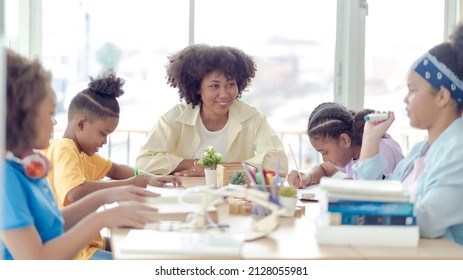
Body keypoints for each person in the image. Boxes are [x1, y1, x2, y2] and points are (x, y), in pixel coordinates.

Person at [1, 48, 159, 260]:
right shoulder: (6, 178)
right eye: (49, 113)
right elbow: (37, 261)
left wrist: (108, 195)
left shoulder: (25, 167)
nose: (55, 121)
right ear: (21, 115)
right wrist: (103, 218)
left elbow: (55, 222)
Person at [43, 69, 181, 259]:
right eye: (103, 133)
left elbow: (115, 169)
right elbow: (75, 191)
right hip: (77, 252)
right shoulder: (64, 147)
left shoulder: (83, 153)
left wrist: (150, 177)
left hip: (89, 243)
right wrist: (129, 184)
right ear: (81, 124)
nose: (105, 141)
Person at [353, 24, 463, 245]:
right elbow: (378, 194)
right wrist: (370, 139)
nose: (405, 99)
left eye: (412, 90)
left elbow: (425, 220)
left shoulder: (459, 149)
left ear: (442, 97)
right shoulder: (421, 151)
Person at [136, 44, 288, 177]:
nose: (224, 94)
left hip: (233, 198)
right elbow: (143, 162)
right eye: (214, 86)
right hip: (184, 195)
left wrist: (218, 168)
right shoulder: (176, 118)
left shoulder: (252, 118)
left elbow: (279, 161)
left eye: (230, 84)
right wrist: (195, 165)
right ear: (197, 87)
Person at [287, 102, 404, 188]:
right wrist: (307, 176)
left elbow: (380, 192)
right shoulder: (350, 153)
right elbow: (323, 169)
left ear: (345, 140)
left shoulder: (382, 149)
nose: (324, 158)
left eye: (325, 152)